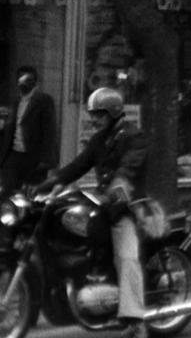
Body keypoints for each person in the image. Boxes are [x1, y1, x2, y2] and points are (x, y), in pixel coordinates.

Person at [37, 87, 149, 338]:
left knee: (126, 256)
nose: (95, 119)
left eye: (99, 114)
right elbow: (77, 166)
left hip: (126, 206)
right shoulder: (99, 140)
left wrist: (116, 189)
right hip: (105, 205)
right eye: (93, 114)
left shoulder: (133, 137)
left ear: (113, 112)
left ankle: (136, 320)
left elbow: (128, 168)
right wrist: (44, 185)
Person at [0, 65, 57, 196]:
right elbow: (12, 127)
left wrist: (46, 160)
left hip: (33, 157)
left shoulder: (44, 100)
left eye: (28, 79)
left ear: (35, 82)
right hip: (14, 155)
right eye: (21, 79)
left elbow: (50, 131)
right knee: (8, 192)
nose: (24, 82)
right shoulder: (16, 101)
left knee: (32, 194)